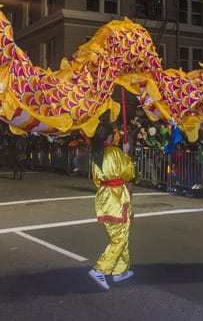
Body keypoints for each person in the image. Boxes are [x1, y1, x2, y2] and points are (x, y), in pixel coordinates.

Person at [87, 122, 136, 290]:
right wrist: (126, 153)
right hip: (116, 197)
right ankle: (100, 268)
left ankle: (120, 270)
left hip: (103, 197)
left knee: (120, 234)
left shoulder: (97, 154)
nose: (117, 135)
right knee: (120, 238)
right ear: (109, 135)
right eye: (115, 133)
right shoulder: (114, 151)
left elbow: (96, 179)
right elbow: (128, 173)